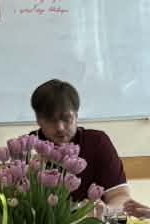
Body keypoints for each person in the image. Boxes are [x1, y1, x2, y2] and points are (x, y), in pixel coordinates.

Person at [29, 80, 132, 210]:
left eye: (66, 119)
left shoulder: (96, 142)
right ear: (38, 120)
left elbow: (120, 195)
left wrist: (107, 210)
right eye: (51, 120)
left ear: (76, 115)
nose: (60, 127)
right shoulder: (28, 148)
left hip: (92, 220)